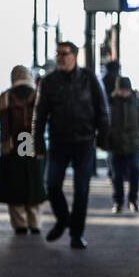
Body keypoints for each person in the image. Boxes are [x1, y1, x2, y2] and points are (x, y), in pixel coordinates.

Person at [33, 41, 109, 249]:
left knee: (81, 190)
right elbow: (39, 116)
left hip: (84, 143)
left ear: (74, 56)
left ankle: (77, 234)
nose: (59, 57)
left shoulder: (89, 78)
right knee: (52, 185)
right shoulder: (49, 82)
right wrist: (37, 144)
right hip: (58, 142)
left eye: (64, 54)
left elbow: (102, 109)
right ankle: (63, 219)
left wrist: (103, 138)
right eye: (57, 54)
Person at [0, 66, 46, 234]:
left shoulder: (5, 97)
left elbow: (3, 125)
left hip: (12, 147)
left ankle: (20, 223)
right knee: (34, 183)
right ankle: (35, 221)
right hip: (33, 145)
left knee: (14, 184)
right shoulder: (38, 96)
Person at [107, 76, 139, 213]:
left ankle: (133, 201)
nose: (124, 92)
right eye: (122, 90)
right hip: (115, 145)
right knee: (117, 176)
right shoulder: (111, 102)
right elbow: (104, 123)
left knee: (135, 172)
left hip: (133, 144)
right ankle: (118, 202)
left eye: (126, 90)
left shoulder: (136, 102)